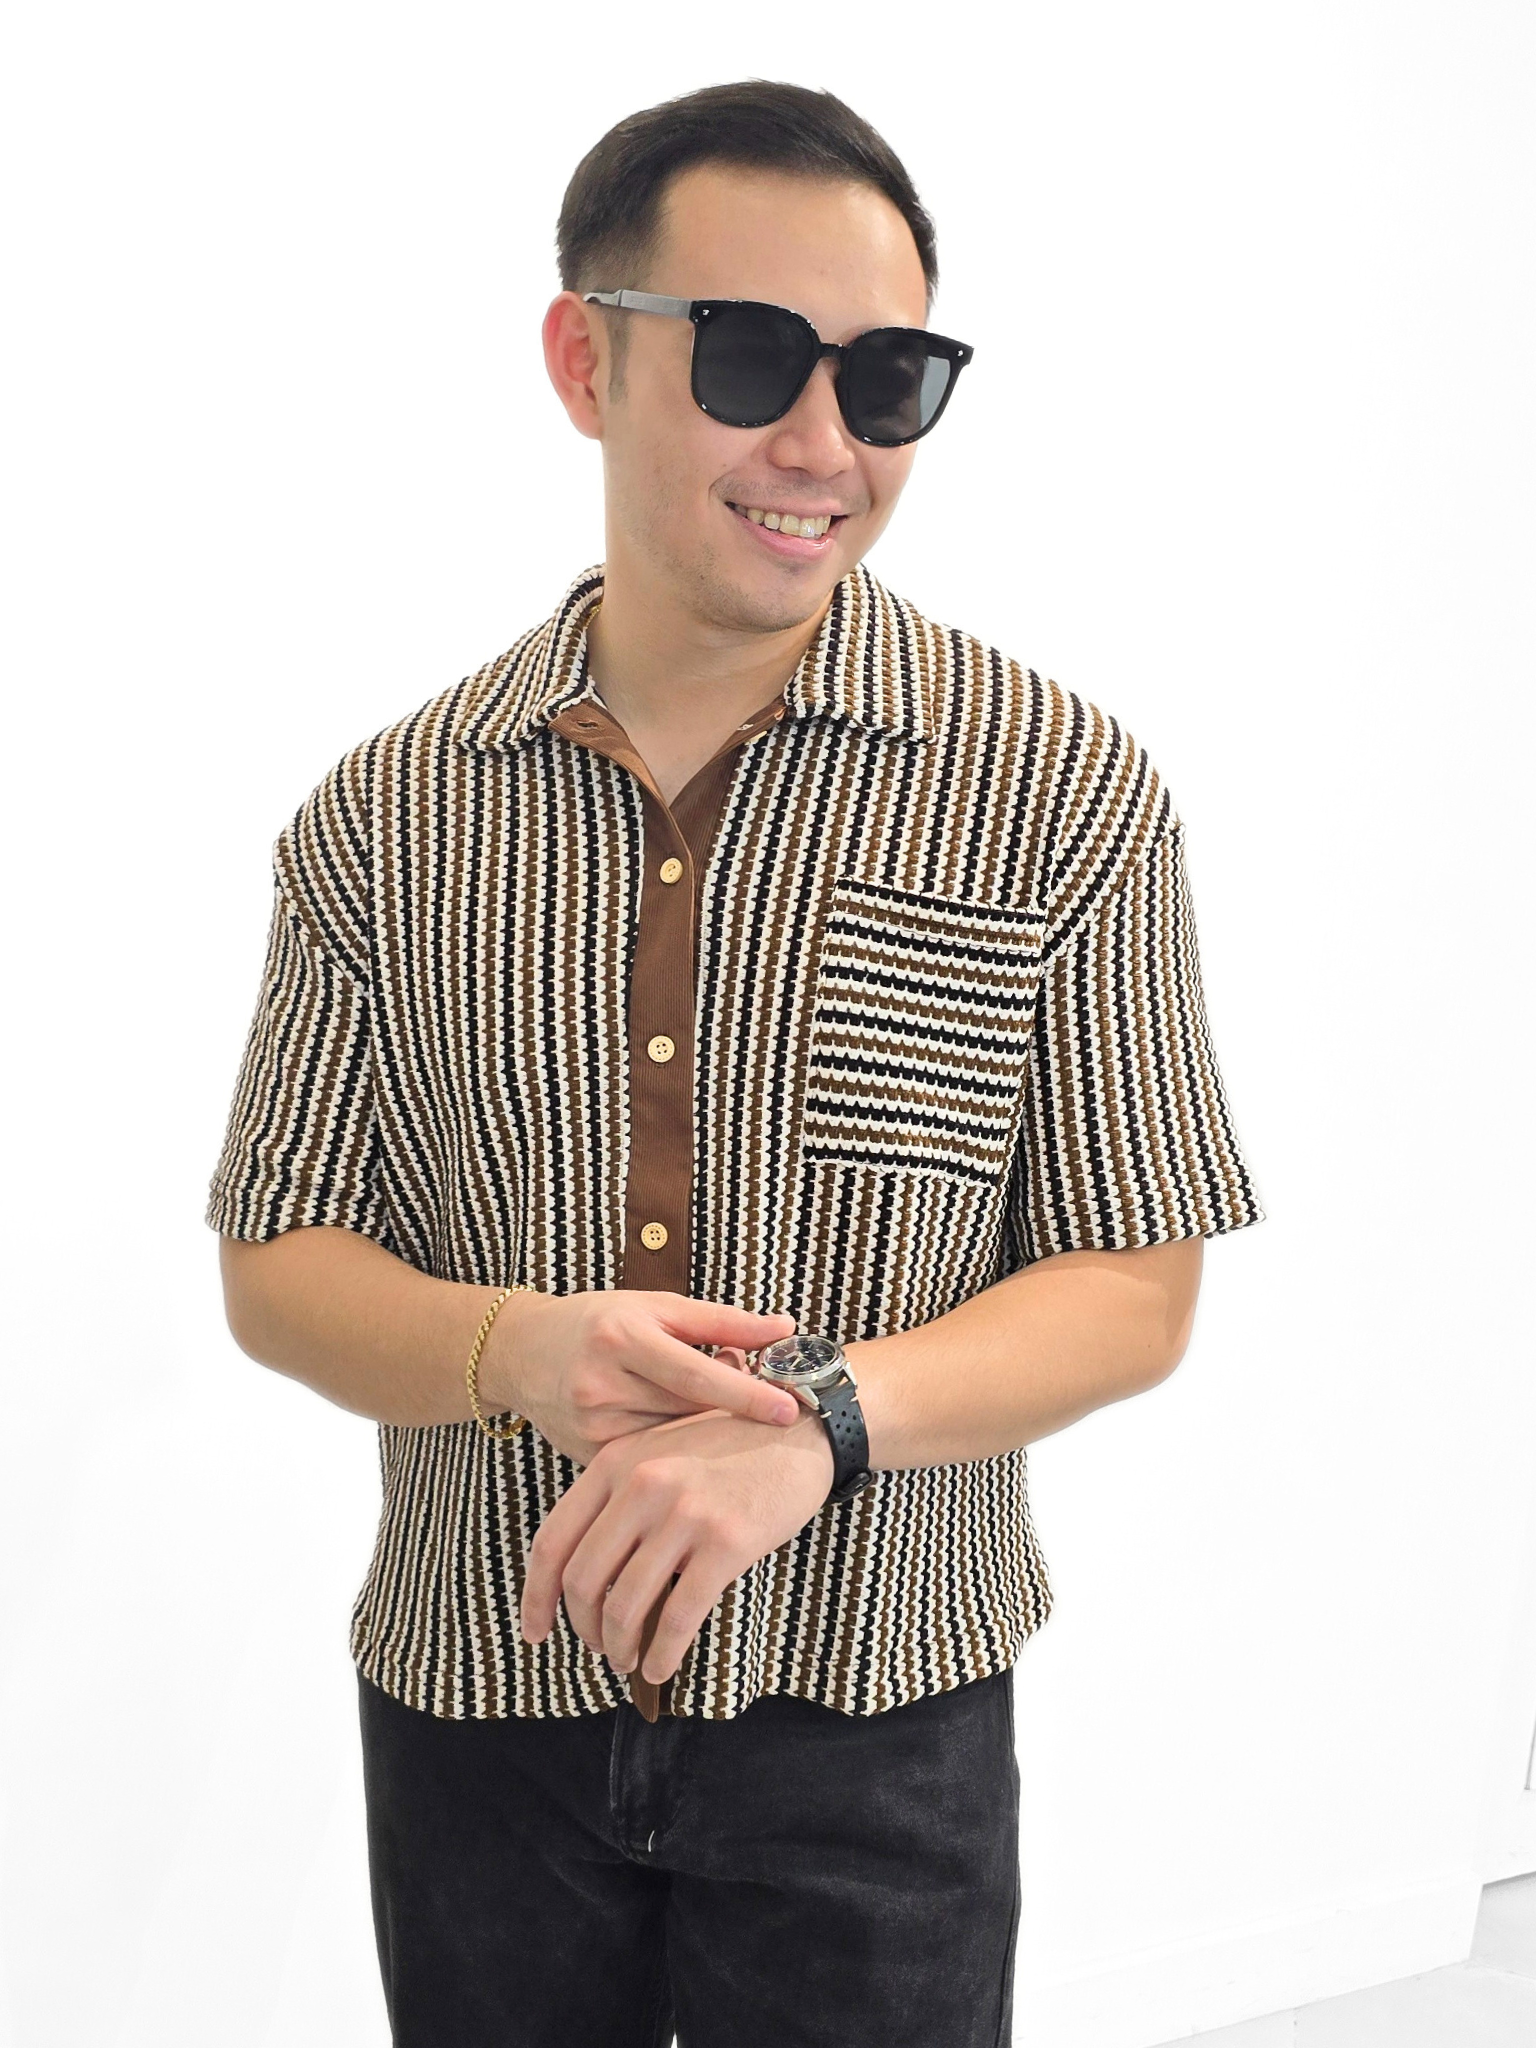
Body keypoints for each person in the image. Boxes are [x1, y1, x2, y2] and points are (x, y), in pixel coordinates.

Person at [208, 78, 1264, 2048]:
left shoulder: (1063, 791)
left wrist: (818, 1426)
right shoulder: (381, 819)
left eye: (889, 380)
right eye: (753, 356)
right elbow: (278, 1264)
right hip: (477, 1716)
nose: (821, 444)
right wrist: (516, 1351)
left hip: (879, 1721)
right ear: (584, 359)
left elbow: (1136, 1279)